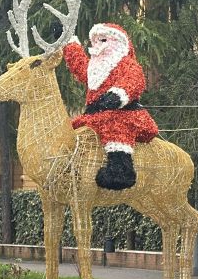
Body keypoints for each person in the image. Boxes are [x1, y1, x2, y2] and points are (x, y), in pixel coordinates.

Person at [62, 23, 159, 190]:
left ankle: (121, 171)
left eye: (103, 40)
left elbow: (135, 81)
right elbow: (79, 65)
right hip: (94, 115)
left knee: (114, 126)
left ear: (118, 43)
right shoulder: (95, 68)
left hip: (123, 113)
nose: (98, 46)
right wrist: (67, 41)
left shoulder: (126, 64)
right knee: (73, 128)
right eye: (96, 41)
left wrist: (117, 95)